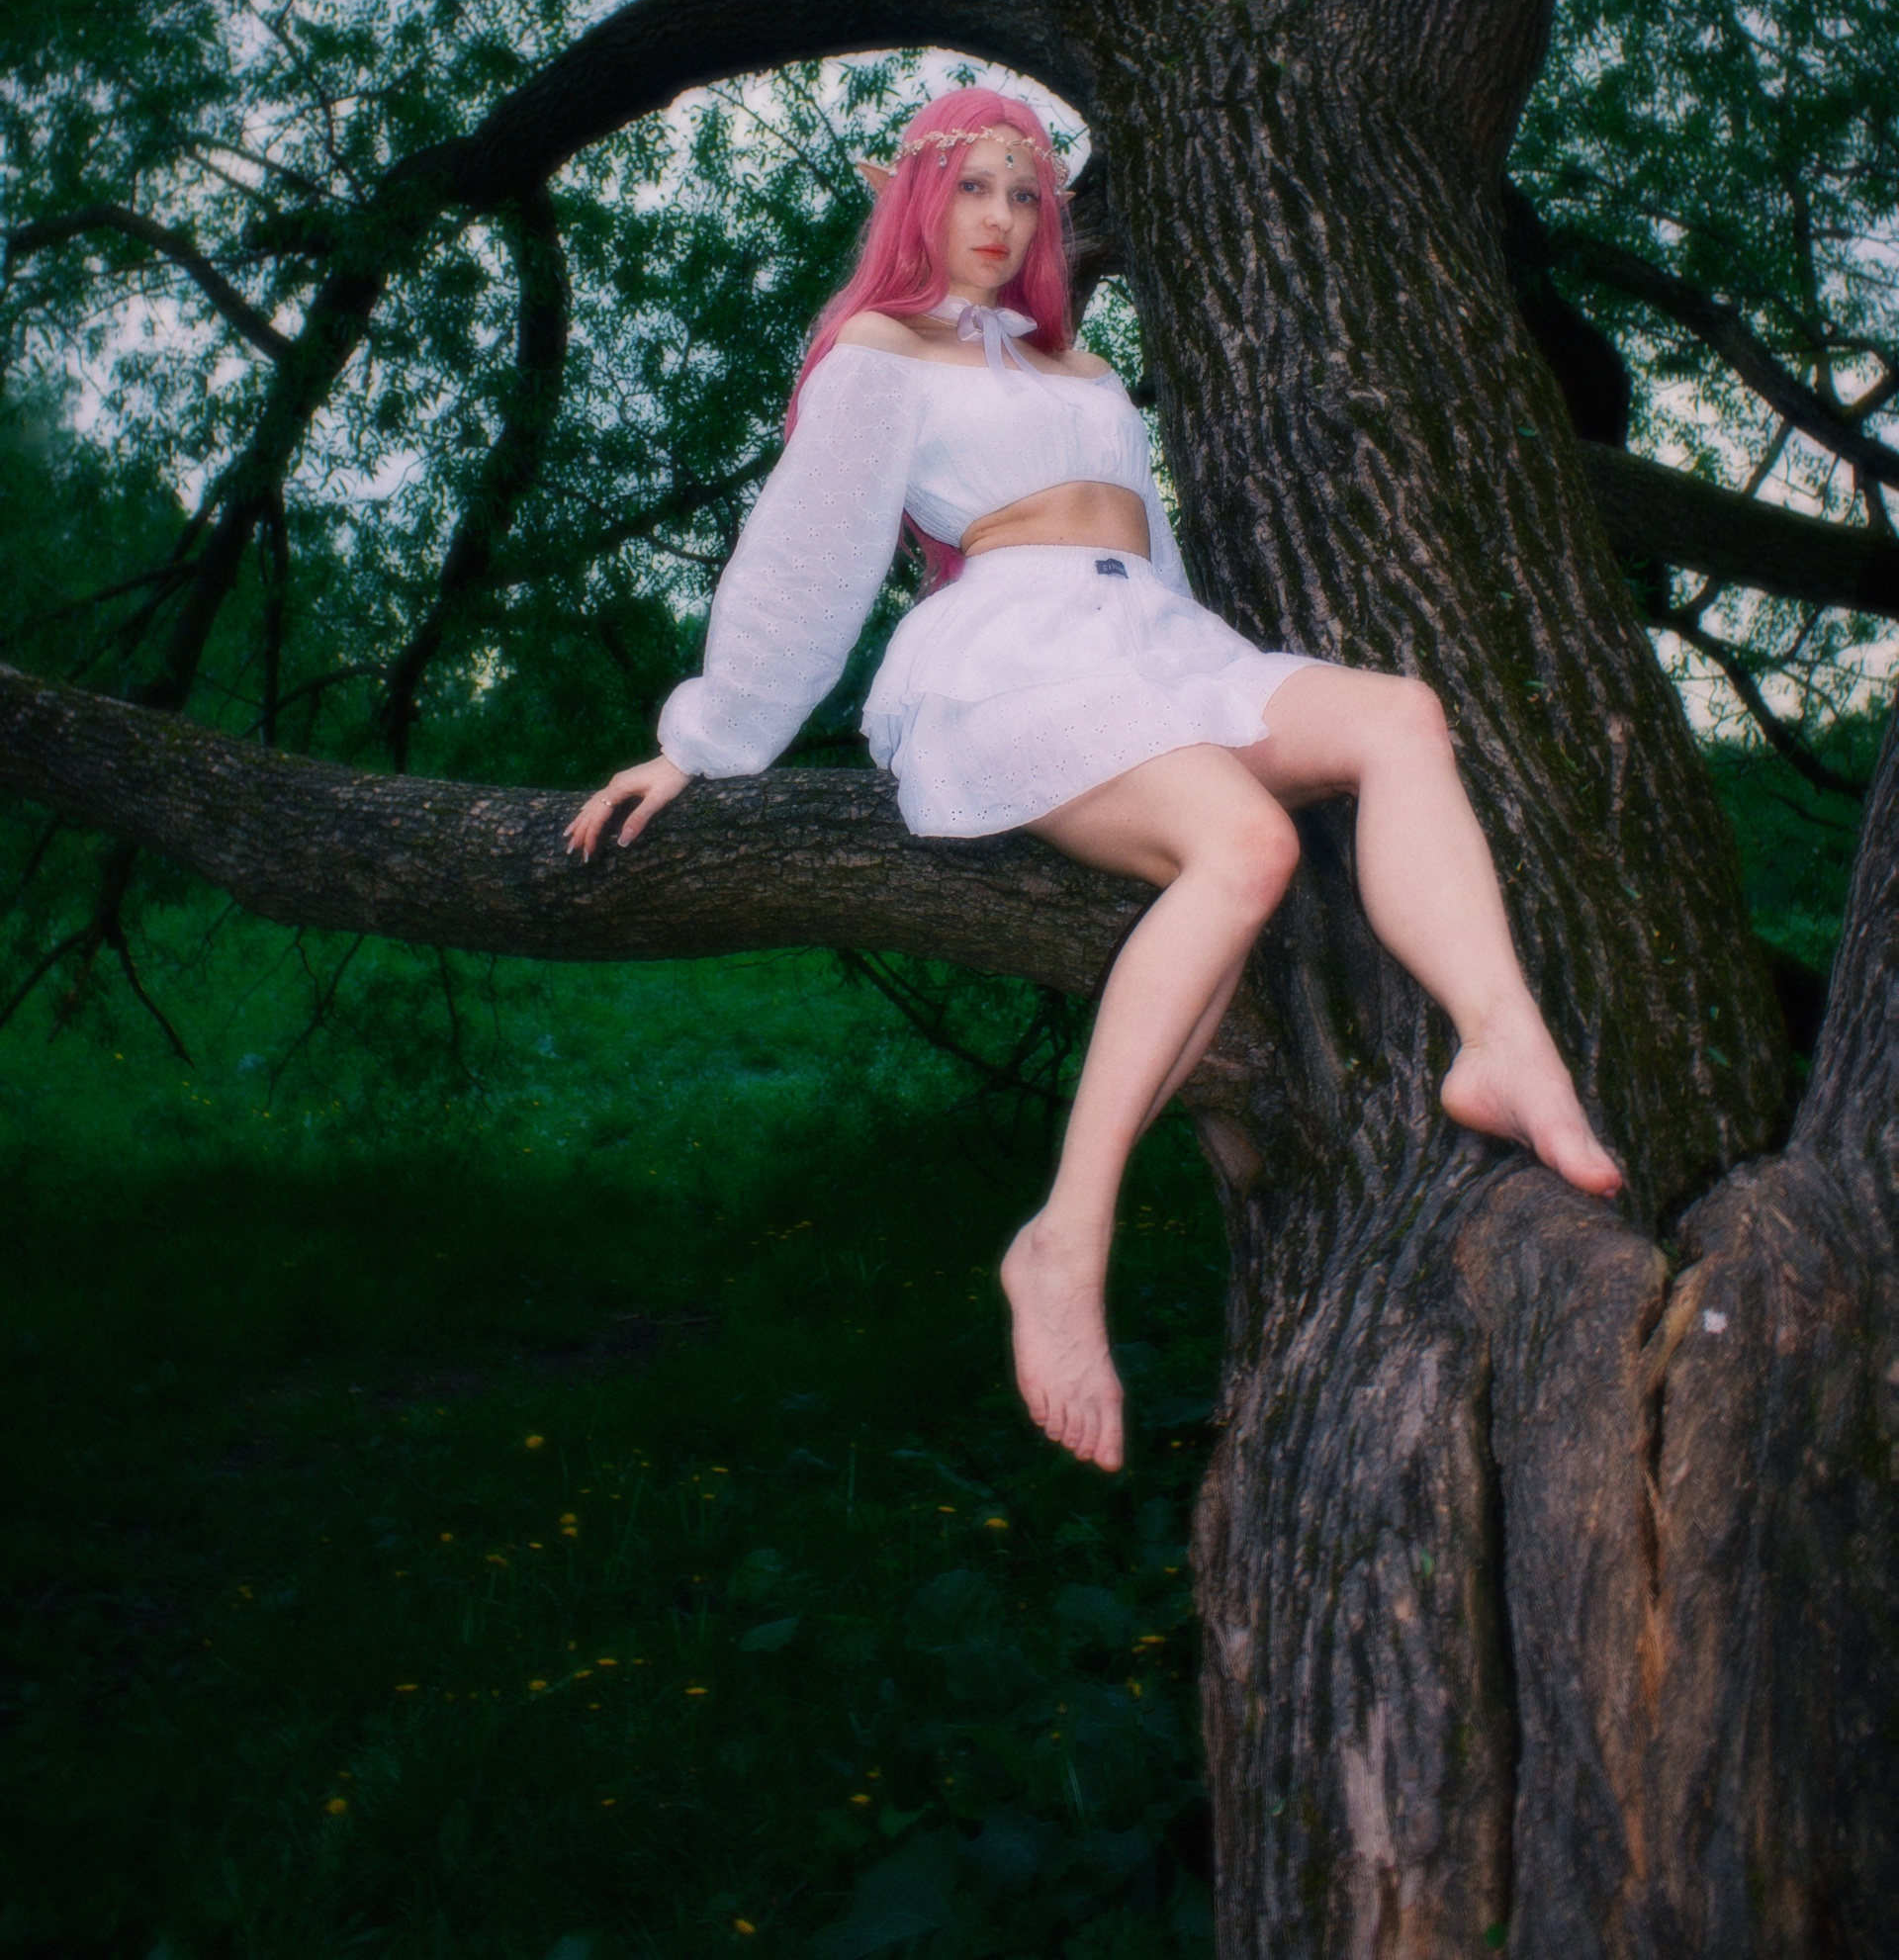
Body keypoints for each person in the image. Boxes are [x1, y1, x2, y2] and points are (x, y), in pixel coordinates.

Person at [567, 89, 1621, 1472]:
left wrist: (1213, 684)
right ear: (918, 197)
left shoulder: (1082, 366)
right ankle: (1065, 1244)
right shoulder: (881, 350)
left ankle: (1502, 1040)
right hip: (1011, 654)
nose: (1002, 218)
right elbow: (806, 557)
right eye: (974, 186)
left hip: (1152, 640)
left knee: (1401, 717)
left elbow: (1155, 557)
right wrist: (703, 742)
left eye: (1027, 195)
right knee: (1247, 849)